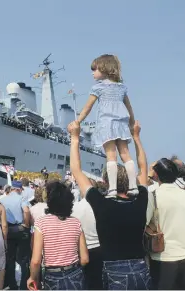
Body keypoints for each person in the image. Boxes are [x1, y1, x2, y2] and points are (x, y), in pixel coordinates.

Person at [68, 120, 151, 290]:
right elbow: (143, 167)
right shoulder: (141, 199)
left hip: (114, 271)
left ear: (106, 182)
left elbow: (76, 171)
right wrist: (136, 137)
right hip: (141, 268)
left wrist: (75, 137)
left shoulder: (101, 204)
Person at [73, 54, 138, 197]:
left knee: (111, 155)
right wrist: (132, 123)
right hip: (121, 123)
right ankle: (133, 187)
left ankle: (113, 189)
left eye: (94, 69)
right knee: (126, 154)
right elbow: (129, 107)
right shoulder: (122, 88)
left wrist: (78, 121)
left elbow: (87, 107)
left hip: (107, 123)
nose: (92, 73)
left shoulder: (98, 88)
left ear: (104, 68)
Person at [27, 181, 89, 290]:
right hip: (74, 273)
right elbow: (84, 259)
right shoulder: (76, 222)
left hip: (52, 275)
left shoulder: (41, 223)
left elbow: (36, 260)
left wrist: (32, 278)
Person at [147, 158, 185, 289]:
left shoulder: (153, 195)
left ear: (156, 175)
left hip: (163, 257)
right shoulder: (183, 194)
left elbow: (144, 223)